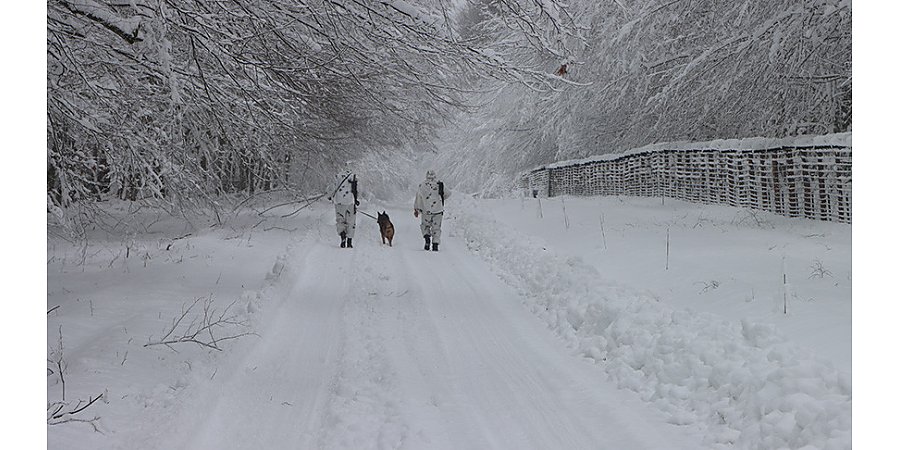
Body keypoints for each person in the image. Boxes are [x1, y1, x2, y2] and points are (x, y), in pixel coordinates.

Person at [413, 170, 451, 251]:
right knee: (436, 228)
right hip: (438, 210)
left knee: (425, 225)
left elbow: (418, 198)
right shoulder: (440, 184)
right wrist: (440, 199)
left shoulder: (422, 185)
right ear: (435, 175)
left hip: (426, 211)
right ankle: (435, 245)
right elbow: (448, 193)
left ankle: (427, 239)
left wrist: (417, 209)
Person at [326, 167, 359, 248]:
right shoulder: (353, 176)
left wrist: (329, 196)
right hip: (350, 202)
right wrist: (356, 200)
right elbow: (355, 189)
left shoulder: (337, 176)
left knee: (340, 220)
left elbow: (331, 187)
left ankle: (343, 236)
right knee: (351, 221)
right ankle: (349, 241)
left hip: (339, 202)